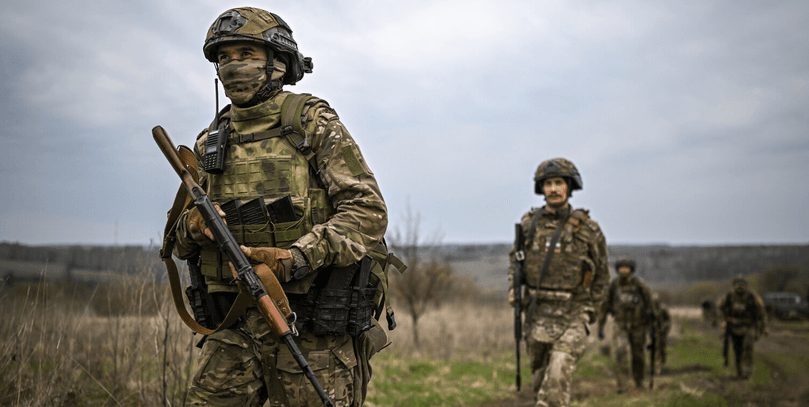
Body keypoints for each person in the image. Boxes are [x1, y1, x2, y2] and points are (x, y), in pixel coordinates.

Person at [167, 7, 391, 406]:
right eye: (224, 57)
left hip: (311, 327)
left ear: (278, 62)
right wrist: (193, 227)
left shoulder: (310, 123)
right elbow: (178, 245)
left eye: (246, 54)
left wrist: (295, 257)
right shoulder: (210, 143)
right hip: (233, 325)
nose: (233, 66)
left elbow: (366, 212)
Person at [508, 158, 610, 407]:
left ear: (569, 187)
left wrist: (589, 312)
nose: (553, 189)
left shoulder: (588, 230)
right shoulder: (529, 224)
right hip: (537, 311)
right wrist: (513, 287)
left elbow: (602, 277)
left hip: (574, 312)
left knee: (555, 382)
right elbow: (516, 260)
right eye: (548, 184)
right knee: (539, 381)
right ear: (541, 189)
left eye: (559, 183)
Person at [596, 257, 658, 393]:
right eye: (621, 268)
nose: (624, 270)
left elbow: (651, 306)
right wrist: (600, 326)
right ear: (617, 270)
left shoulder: (640, 285)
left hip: (639, 326)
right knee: (620, 352)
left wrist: (654, 326)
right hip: (620, 326)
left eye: (626, 268)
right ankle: (622, 384)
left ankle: (639, 380)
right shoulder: (613, 286)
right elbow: (604, 307)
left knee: (638, 355)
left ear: (631, 269)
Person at [719, 275, 768, 379]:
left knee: (748, 348)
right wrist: (724, 320)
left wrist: (765, 327)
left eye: (742, 284)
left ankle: (747, 371)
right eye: (738, 284)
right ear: (734, 285)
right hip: (734, 327)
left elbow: (762, 312)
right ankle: (739, 371)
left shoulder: (752, 297)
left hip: (749, 326)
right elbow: (720, 308)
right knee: (737, 350)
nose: (740, 287)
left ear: (746, 286)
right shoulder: (729, 297)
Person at [652, 292, 671, 375]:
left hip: (662, 332)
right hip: (653, 332)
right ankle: (655, 366)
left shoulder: (663, 308)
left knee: (661, 348)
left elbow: (668, 320)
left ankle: (662, 365)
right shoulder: (650, 309)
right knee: (654, 349)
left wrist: (664, 328)